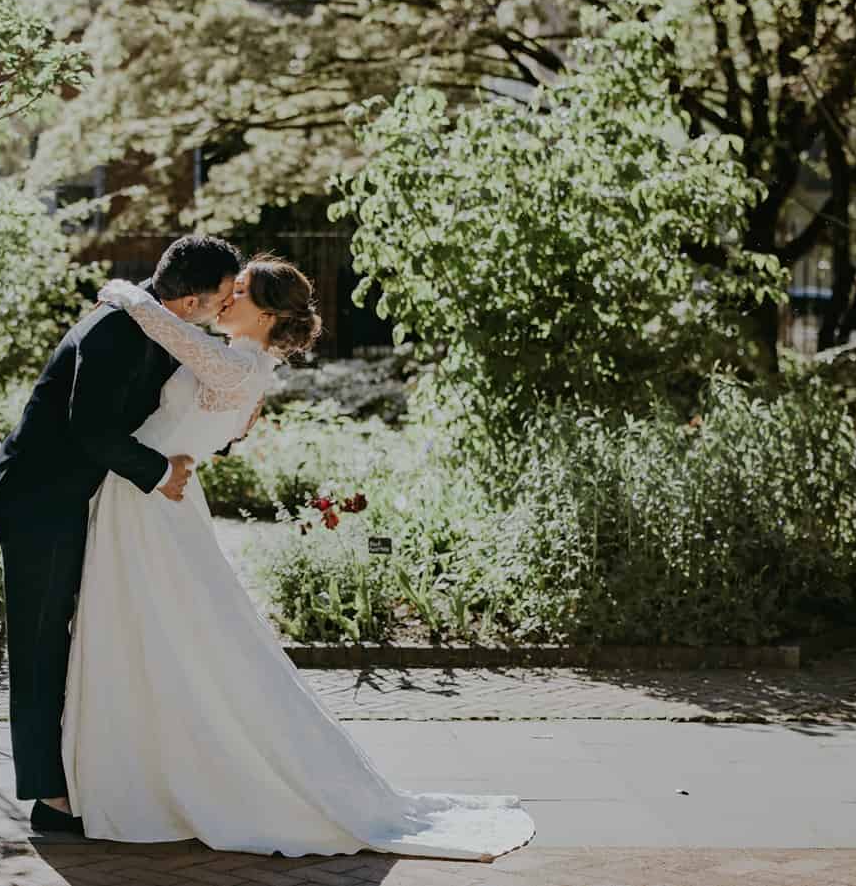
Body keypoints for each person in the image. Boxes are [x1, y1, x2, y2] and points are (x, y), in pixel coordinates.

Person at [60, 257, 535, 860]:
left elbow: (159, 323)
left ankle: (154, 778)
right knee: (164, 636)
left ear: (266, 313)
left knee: (159, 636)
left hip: (150, 503)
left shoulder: (233, 365)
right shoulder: (248, 366)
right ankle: (144, 767)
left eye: (239, 293)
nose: (225, 299)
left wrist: (125, 290)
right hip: (154, 498)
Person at [0, 235, 243, 834]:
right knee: (42, 642)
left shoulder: (154, 322)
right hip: (37, 501)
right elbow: (90, 430)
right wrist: (161, 474)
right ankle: (49, 797)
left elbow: (175, 405)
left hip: (75, 498)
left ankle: (80, 768)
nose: (226, 308)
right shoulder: (115, 333)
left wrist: (225, 430)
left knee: (82, 637)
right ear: (192, 300)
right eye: (223, 297)